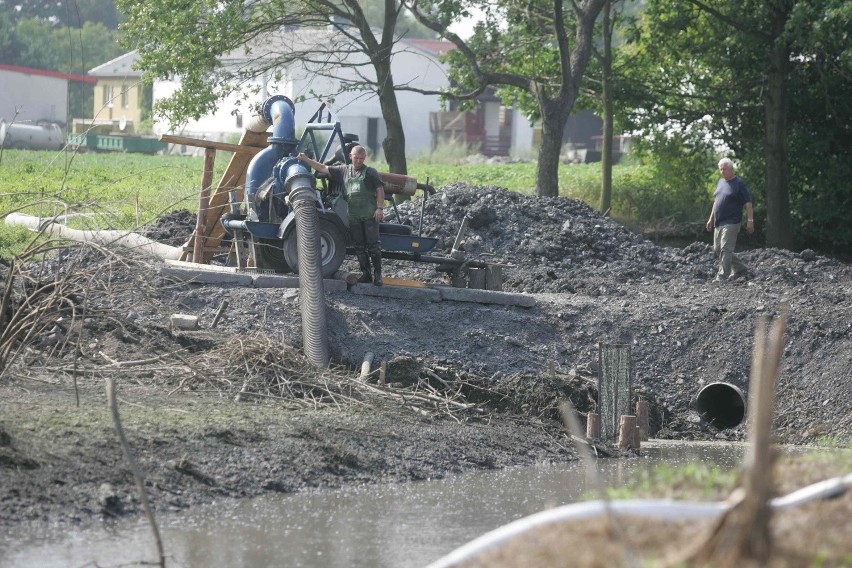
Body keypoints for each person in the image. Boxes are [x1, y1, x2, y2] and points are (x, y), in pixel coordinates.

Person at [297, 146, 386, 286]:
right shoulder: (343, 170)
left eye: (361, 159)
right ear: (351, 156)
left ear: (365, 159)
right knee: (359, 246)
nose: (358, 161)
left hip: (369, 215)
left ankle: (378, 275)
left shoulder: (370, 172)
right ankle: (366, 273)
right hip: (354, 215)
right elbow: (322, 168)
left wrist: (380, 209)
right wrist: (306, 159)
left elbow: (380, 190)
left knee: (373, 246)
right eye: (356, 158)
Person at [705, 158, 754, 281]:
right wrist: (711, 219)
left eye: (725, 169)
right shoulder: (720, 182)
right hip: (719, 222)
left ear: (731, 169)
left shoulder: (739, 183)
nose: (722, 171)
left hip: (732, 222)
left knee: (726, 249)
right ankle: (740, 268)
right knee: (717, 249)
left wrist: (750, 220)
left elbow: (748, 203)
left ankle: (722, 276)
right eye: (720, 169)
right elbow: (716, 202)